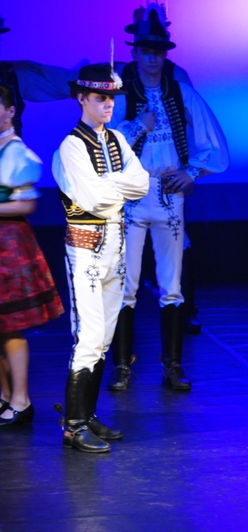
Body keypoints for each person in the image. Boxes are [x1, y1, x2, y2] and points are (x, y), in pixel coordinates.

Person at [107, 4, 229, 392]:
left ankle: (172, 365)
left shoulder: (181, 91)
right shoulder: (121, 93)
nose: (152, 59)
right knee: (126, 283)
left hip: (167, 194)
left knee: (171, 282)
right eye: (146, 52)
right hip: (130, 196)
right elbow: (106, 145)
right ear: (135, 53)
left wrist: (191, 171)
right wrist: (137, 126)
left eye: (158, 52)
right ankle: (122, 365)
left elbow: (212, 139)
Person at [52, 63, 149, 452]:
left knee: (104, 337)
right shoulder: (72, 146)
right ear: (82, 99)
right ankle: (74, 425)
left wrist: (109, 186)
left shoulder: (117, 140)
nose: (108, 104)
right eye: (99, 97)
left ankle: (87, 414)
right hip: (86, 249)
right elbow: (92, 199)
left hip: (115, 244)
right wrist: (115, 189)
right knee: (89, 337)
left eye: (111, 97)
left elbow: (142, 183)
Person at [0, 82, 64, 427]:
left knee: (11, 327)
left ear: (10, 111)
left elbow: (26, 204)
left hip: (9, 244)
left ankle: (20, 400)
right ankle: (3, 395)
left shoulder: (17, 154)